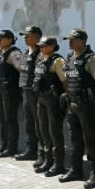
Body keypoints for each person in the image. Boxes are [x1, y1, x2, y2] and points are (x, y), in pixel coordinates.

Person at [58, 28, 95, 188]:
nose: (69, 42)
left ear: (82, 41)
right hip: (72, 105)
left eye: (73, 39)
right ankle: (76, 170)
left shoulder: (92, 59)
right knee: (74, 139)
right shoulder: (70, 57)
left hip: (87, 106)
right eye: (68, 39)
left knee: (91, 139)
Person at [32, 36, 67, 177]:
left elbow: (65, 81)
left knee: (55, 132)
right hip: (41, 99)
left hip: (53, 100)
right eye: (40, 46)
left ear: (52, 46)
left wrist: (65, 99)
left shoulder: (58, 61)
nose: (41, 48)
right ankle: (48, 160)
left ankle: (58, 164)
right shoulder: (41, 60)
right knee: (44, 131)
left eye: (44, 46)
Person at [0, 29, 22, 157]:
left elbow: (23, 70)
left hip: (10, 91)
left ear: (10, 39)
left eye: (2, 39)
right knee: (2, 119)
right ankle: (4, 144)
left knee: (10, 119)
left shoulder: (14, 53)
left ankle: (12, 147)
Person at [15, 25, 43, 163]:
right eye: (24, 35)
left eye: (28, 35)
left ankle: (43, 152)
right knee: (29, 123)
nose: (25, 38)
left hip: (36, 94)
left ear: (37, 38)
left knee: (40, 124)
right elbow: (21, 70)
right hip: (26, 91)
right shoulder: (26, 53)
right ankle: (31, 150)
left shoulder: (41, 54)